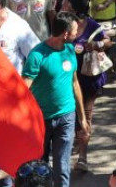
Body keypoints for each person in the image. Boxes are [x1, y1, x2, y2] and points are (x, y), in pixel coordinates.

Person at [22, 12, 89, 187]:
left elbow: (74, 83)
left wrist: (82, 117)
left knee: (62, 167)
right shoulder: (37, 55)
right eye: (75, 30)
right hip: (41, 120)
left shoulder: (69, 50)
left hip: (67, 117)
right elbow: (23, 90)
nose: (78, 33)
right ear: (65, 34)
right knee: (40, 167)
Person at [60, 0, 111, 173]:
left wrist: (96, 45)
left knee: (85, 117)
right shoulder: (62, 23)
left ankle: (83, 157)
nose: (62, 6)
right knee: (69, 116)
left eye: (65, 4)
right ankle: (76, 139)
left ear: (73, 9)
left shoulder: (92, 25)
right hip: (66, 79)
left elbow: (107, 40)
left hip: (89, 79)